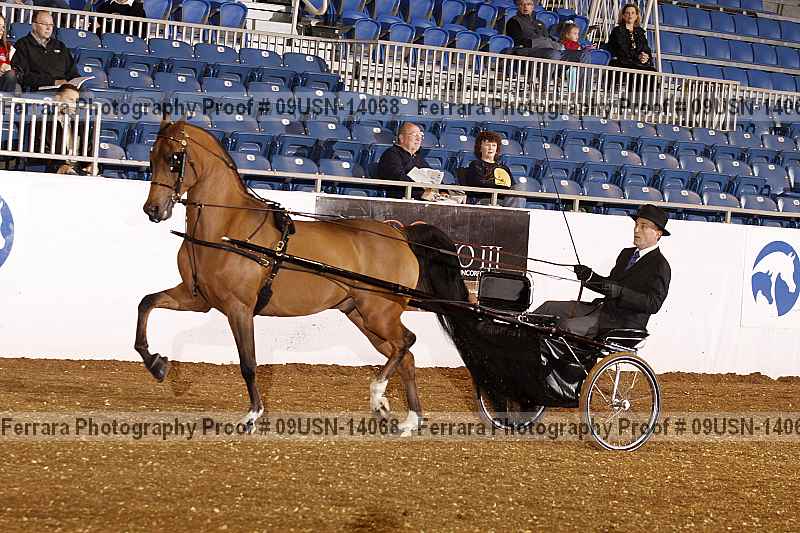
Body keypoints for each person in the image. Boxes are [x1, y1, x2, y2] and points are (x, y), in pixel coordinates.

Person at [534, 204, 672, 337]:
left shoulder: (660, 265)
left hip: (621, 322)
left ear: (658, 233)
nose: (636, 230)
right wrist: (589, 277)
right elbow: (610, 286)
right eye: (636, 225)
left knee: (565, 326)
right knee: (547, 308)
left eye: (643, 226)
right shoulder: (626, 254)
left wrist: (621, 293)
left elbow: (653, 304)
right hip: (600, 309)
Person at [376, 122, 449, 201]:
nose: (418, 139)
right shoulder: (391, 154)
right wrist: (421, 192)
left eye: (420, 136)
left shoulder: (417, 157)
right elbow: (397, 177)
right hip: (398, 200)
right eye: (414, 135)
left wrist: (443, 191)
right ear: (401, 138)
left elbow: (432, 174)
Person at [11, 10, 79, 92]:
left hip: (64, 89)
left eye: (51, 25)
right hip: (37, 89)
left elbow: (72, 72)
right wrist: (52, 82)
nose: (49, 28)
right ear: (34, 26)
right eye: (45, 24)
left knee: (86, 93)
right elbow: (23, 76)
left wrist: (75, 82)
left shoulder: (60, 45)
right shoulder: (22, 45)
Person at [505, 0, 590, 64]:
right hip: (528, 49)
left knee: (584, 55)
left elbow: (547, 38)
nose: (525, 7)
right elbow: (518, 41)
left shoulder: (539, 23)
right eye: (522, 4)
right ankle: (544, 82)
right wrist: (540, 42)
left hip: (548, 49)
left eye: (529, 4)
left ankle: (584, 83)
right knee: (554, 54)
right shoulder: (514, 21)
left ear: (533, 6)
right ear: (518, 6)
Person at [458, 130, 524, 208]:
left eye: (493, 145)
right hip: (484, 200)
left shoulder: (504, 168)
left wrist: (502, 189)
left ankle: (513, 213)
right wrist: (502, 188)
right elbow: (478, 184)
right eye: (487, 145)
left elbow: (512, 187)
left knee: (519, 188)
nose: (490, 148)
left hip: (503, 201)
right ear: (480, 148)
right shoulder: (475, 164)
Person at [606, 4, 655, 71]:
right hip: (622, 64)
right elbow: (621, 50)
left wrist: (645, 56)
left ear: (636, 16)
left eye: (633, 13)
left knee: (652, 71)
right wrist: (638, 56)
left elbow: (646, 48)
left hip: (636, 64)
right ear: (623, 16)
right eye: (627, 13)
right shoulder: (617, 31)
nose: (630, 15)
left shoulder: (640, 32)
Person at [0, 15, 18, 93]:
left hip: (4, 82)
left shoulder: (8, 47)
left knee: (12, 75)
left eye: (3, 27)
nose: (2, 30)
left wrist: (10, 68)